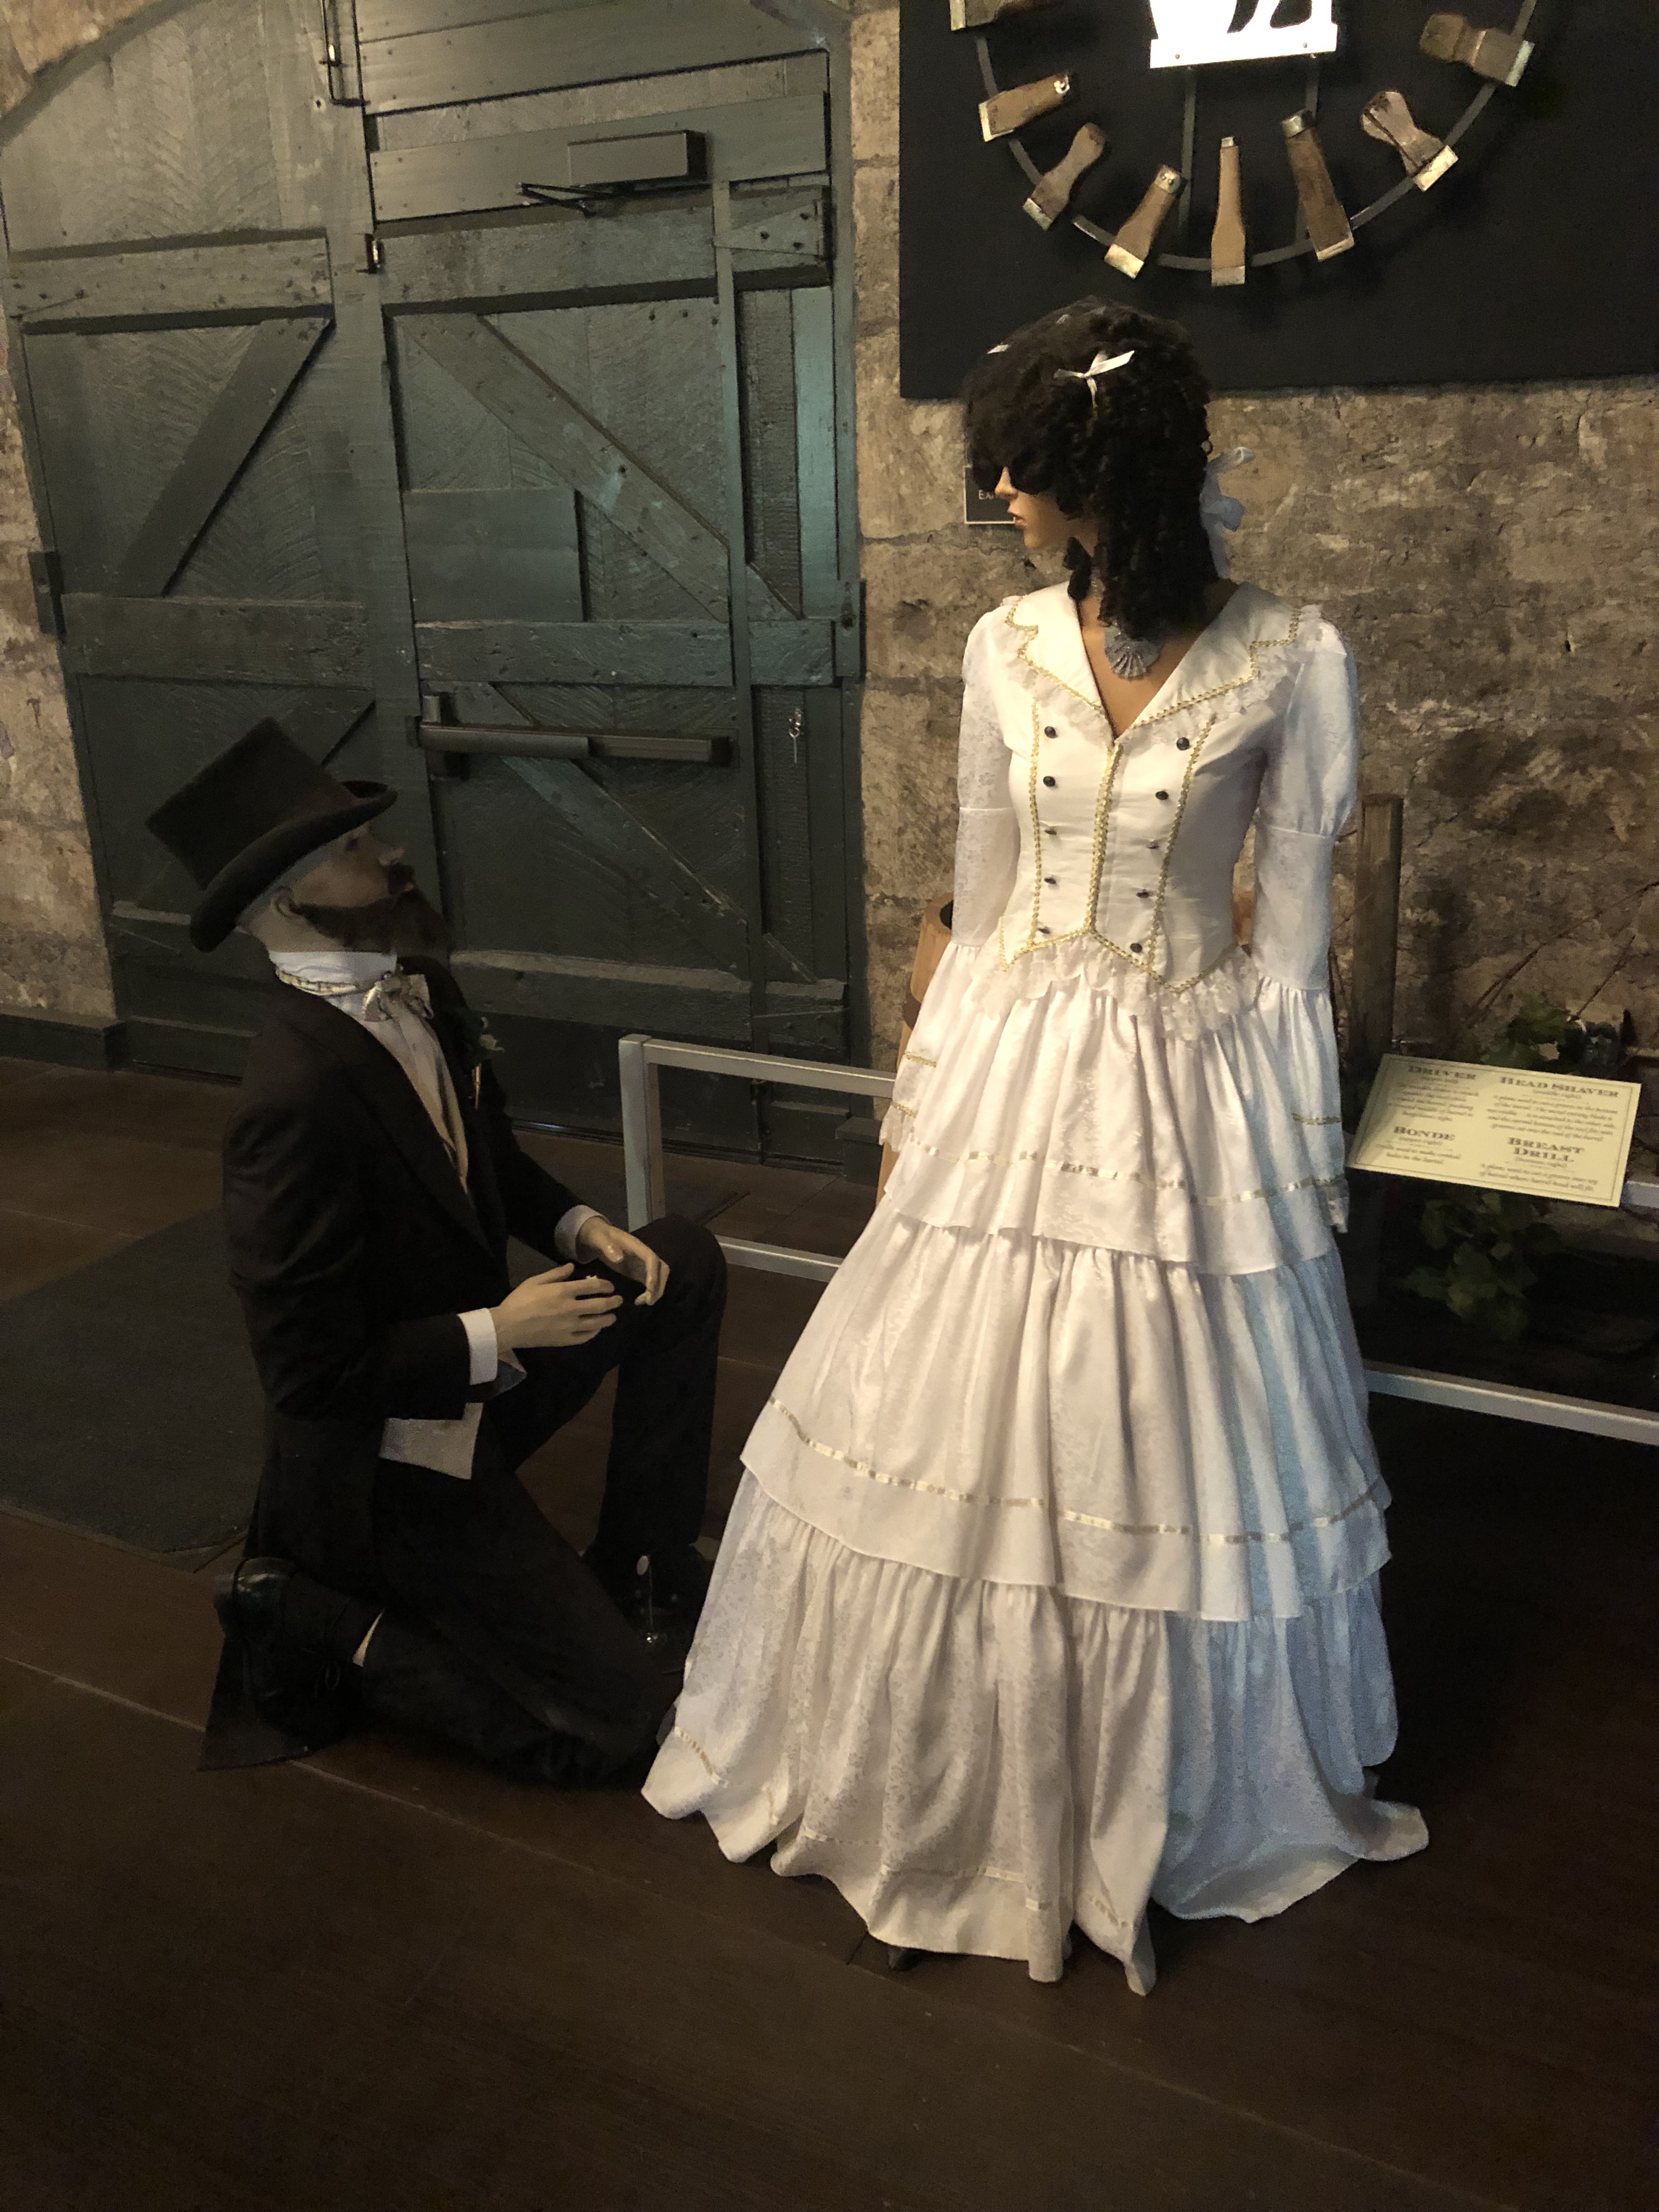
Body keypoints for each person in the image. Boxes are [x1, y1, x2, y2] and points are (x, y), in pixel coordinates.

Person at [645, 302, 1426, 1989]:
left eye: (1022, 466)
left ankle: (1165, 1783)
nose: (1000, 493)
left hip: (1188, 1081)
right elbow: (982, 895)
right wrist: (923, 1102)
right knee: (948, 1419)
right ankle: (949, 1770)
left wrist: (1287, 1150)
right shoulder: (1005, 648)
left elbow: (1294, 942)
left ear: (1101, 477)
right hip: (1015, 1066)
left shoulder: (1297, 656)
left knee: (1168, 1434)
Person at [144, 720, 726, 1784]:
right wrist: (499, 1329)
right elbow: (307, 1374)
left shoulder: (421, 990)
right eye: (356, 852)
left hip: (480, 1383)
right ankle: (328, 1622)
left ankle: (641, 1557)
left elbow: (487, 1156)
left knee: (678, 1258)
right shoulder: (291, 1098)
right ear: (286, 903)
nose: (393, 857)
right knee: (622, 1727)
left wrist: (578, 1228)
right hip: (389, 1462)